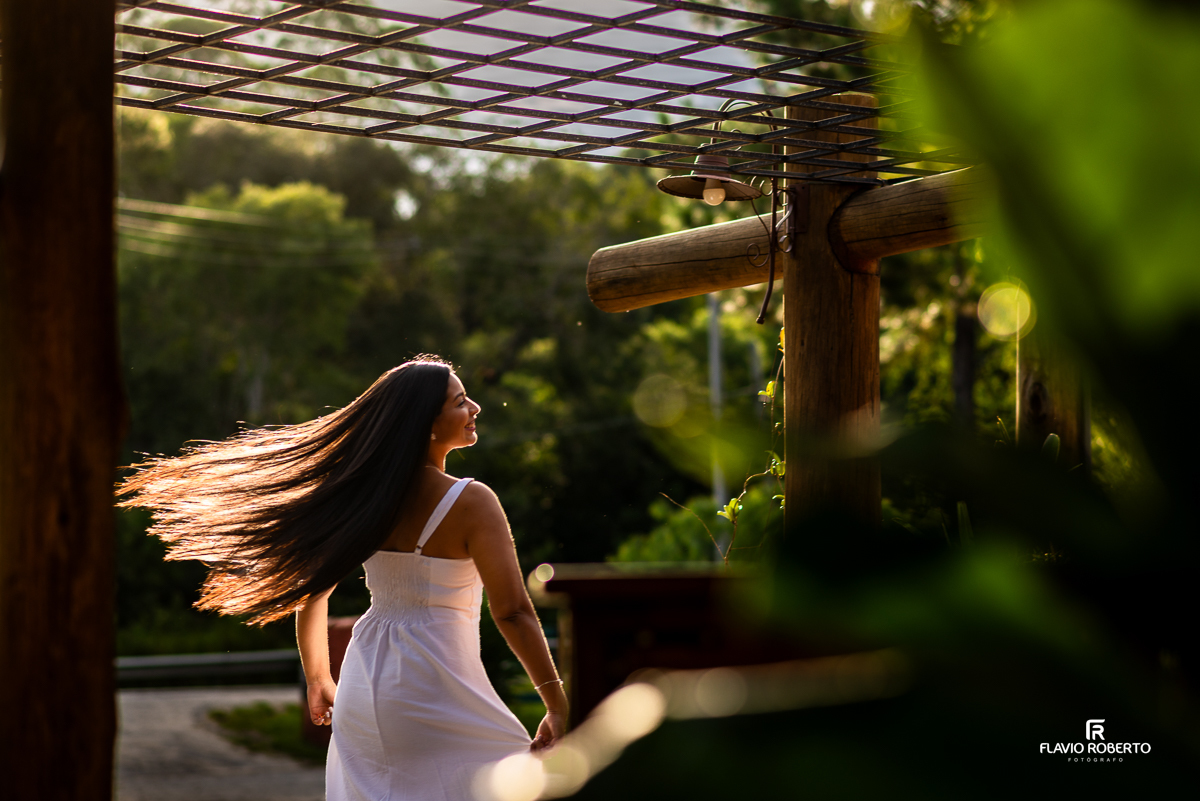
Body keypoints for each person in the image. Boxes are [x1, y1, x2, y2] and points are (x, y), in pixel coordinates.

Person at [118, 358, 567, 800]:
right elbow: (512, 611)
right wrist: (555, 700)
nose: (476, 409)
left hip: (363, 684)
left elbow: (313, 591)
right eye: (460, 401)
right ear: (426, 424)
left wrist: (318, 677)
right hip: (434, 687)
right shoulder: (472, 502)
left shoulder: (368, 497)